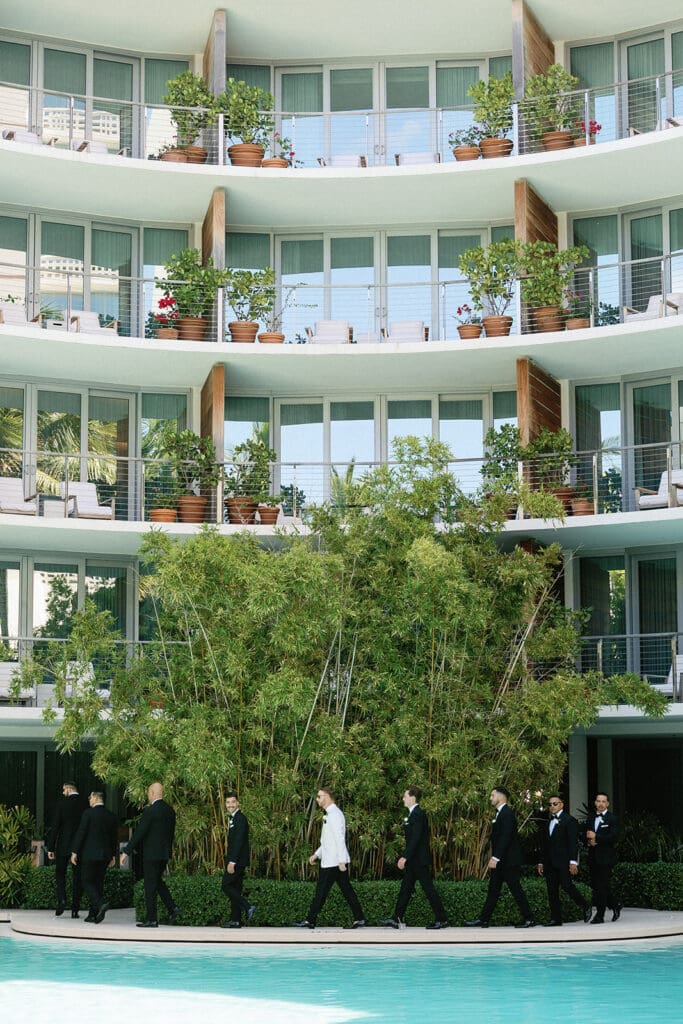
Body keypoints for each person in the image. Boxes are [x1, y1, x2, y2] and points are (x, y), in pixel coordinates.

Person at [294, 787, 365, 929]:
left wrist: (342, 860)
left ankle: (310, 920)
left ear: (326, 797)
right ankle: (360, 918)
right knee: (346, 890)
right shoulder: (331, 814)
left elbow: (339, 838)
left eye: (319, 796)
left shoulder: (335, 815)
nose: (317, 799)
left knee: (321, 892)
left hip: (333, 862)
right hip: (333, 861)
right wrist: (317, 854)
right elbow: (328, 841)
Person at [465, 786, 535, 929]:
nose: (490, 798)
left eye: (492, 795)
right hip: (502, 860)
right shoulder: (500, 813)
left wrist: (495, 857)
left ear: (501, 796)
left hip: (508, 860)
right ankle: (483, 919)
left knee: (515, 889)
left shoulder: (507, 813)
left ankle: (529, 919)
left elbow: (505, 837)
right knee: (493, 890)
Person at [380, 787, 448, 930]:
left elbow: (415, 838)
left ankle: (441, 919)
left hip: (418, 860)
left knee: (428, 889)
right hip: (413, 860)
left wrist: (404, 856)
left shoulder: (418, 814)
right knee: (405, 889)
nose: (403, 799)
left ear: (412, 798)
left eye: (405, 796)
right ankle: (397, 918)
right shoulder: (413, 814)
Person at [120, 782, 180, 928]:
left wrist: (126, 851)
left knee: (150, 885)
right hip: (164, 854)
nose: (148, 796)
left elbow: (139, 833)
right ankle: (173, 908)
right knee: (157, 881)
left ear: (152, 793)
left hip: (152, 854)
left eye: (148, 793)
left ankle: (152, 919)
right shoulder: (170, 810)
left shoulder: (150, 811)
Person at [537, 794, 592, 926]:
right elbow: (544, 844)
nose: (552, 806)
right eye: (550, 804)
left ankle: (585, 906)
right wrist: (541, 862)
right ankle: (556, 919)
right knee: (551, 890)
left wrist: (573, 862)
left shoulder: (569, 820)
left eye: (555, 804)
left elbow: (573, 843)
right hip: (549, 862)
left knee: (567, 886)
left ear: (562, 805)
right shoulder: (548, 821)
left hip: (563, 861)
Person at [71, 791, 118, 924]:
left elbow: (81, 832)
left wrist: (74, 851)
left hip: (89, 854)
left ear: (96, 798)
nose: (89, 799)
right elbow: (114, 837)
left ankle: (100, 903)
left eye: (90, 797)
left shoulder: (88, 813)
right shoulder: (111, 815)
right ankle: (93, 914)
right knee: (98, 883)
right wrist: (113, 855)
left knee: (86, 880)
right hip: (105, 855)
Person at [46, 781, 88, 918]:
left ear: (69, 789)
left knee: (60, 873)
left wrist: (50, 847)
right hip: (79, 846)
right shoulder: (85, 803)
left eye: (64, 790)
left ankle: (62, 900)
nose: (63, 792)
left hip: (63, 844)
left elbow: (55, 826)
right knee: (77, 877)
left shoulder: (62, 803)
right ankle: (75, 909)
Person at [583, 791, 621, 924]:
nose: (600, 804)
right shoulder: (591, 818)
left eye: (603, 801)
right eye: (598, 801)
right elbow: (585, 835)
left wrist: (597, 838)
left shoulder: (612, 818)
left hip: (606, 858)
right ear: (595, 803)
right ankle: (615, 904)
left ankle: (600, 915)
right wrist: (589, 841)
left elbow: (614, 837)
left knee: (602, 886)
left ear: (607, 803)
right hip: (593, 857)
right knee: (597, 886)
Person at [220, 791, 256, 929]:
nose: (230, 805)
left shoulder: (240, 818)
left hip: (237, 861)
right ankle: (235, 920)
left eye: (233, 802)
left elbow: (239, 841)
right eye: (228, 802)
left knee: (226, 886)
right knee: (235, 888)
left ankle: (247, 906)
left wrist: (232, 862)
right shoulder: (234, 818)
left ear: (238, 803)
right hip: (238, 860)